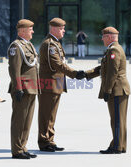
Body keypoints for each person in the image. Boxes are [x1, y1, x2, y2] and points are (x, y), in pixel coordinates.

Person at [38, 18, 85, 152]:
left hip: (55, 84)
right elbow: (57, 64)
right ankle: (43, 141)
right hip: (48, 85)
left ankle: (50, 140)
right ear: (53, 29)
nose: (64, 31)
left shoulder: (55, 43)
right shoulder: (49, 44)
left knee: (51, 115)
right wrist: (74, 73)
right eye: (61, 28)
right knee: (45, 115)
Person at [85, 27, 131, 154]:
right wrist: (86, 74)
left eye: (104, 36)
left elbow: (112, 73)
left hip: (117, 90)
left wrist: (107, 90)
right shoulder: (115, 48)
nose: (102, 39)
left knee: (116, 120)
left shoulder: (114, 50)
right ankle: (120, 145)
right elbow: (104, 68)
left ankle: (116, 147)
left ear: (110, 37)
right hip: (119, 90)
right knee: (119, 119)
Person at [8, 19, 39, 159]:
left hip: (32, 88)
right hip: (22, 89)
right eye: (30, 29)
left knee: (27, 120)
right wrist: (18, 88)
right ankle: (16, 150)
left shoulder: (28, 45)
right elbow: (14, 70)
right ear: (22, 30)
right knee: (19, 120)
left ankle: (23, 146)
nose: (32, 31)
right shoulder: (16, 46)